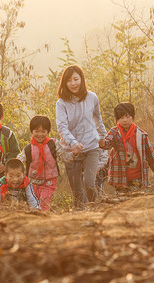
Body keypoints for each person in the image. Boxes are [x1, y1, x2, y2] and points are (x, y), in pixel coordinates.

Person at [56, 64, 107, 209]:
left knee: (89, 183)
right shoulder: (61, 104)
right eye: (69, 80)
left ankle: (96, 211)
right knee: (77, 192)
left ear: (81, 79)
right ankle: (78, 220)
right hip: (71, 152)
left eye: (76, 79)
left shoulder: (92, 97)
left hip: (91, 147)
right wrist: (73, 143)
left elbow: (98, 119)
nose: (73, 83)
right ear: (64, 83)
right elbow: (62, 127)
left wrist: (103, 137)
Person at [99, 102, 154, 193]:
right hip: (120, 177)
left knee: (136, 200)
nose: (125, 120)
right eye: (121, 118)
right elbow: (108, 143)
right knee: (123, 202)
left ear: (132, 117)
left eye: (128, 117)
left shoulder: (141, 135)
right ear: (117, 119)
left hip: (137, 176)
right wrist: (102, 143)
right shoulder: (115, 132)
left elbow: (150, 154)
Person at [17, 115, 73, 211]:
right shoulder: (28, 149)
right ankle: (35, 221)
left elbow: (64, 157)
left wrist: (74, 154)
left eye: (43, 131)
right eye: (36, 131)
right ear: (32, 131)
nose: (40, 134)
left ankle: (44, 220)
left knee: (44, 202)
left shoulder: (53, 144)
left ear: (48, 131)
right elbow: (19, 161)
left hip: (49, 181)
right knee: (34, 204)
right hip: (33, 182)